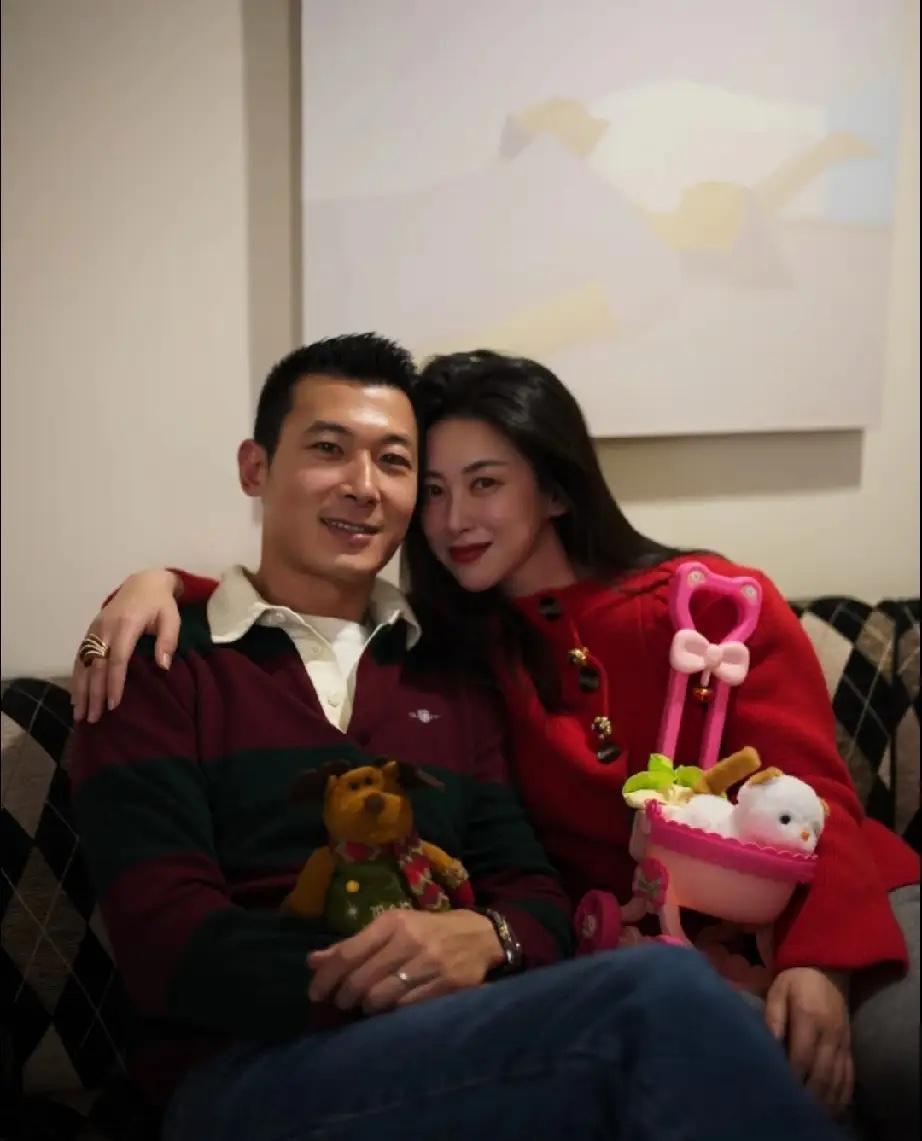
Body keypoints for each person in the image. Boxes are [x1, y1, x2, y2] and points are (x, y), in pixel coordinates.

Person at [70, 336, 846, 1141]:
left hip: (454, 1050)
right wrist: (401, 974)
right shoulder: (155, 656)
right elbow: (165, 942)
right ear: (255, 468)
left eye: (394, 462)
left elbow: (533, 891)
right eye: (329, 449)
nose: (363, 486)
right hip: (243, 1074)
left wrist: (489, 936)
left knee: (700, 1022)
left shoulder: (447, 670)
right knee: (658, 996)